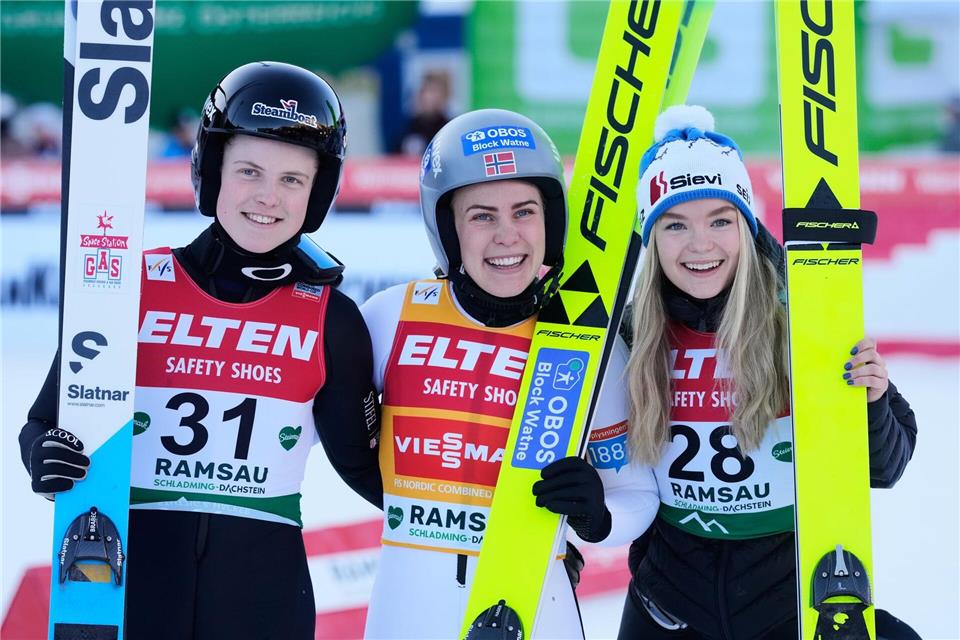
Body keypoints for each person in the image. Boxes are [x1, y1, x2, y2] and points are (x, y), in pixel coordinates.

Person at [18, 61, 381, 640]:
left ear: (318, 193)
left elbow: (376, 470)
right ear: (211, 172)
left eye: (292, 179)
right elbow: (44, 424)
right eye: (249, 171)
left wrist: (523, 517)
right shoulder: (128, 290)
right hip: (127, 585)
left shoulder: (330, 318)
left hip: (262, 596)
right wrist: (44, 454)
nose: (268, 197)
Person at [613, 105, 920, 640]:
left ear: (746, 227)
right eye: (675, 225)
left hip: (791, 605)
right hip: (667, 610)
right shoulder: (632, 336)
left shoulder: (800, 321)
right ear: (651, 237)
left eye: (720, 220)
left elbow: (885, 468)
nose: (700, 244)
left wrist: (871, 401)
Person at [358, 109, 658, 639]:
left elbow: (635, 494)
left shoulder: (586, 347)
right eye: (481, 216)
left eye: (524, 212)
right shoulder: (390, 318)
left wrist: (594, 516)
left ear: (551, 223)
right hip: (408, 604)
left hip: (537, 600)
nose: (506, 236)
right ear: (446, 228)